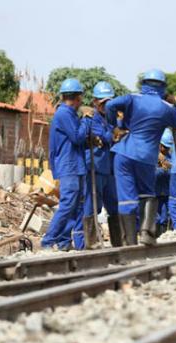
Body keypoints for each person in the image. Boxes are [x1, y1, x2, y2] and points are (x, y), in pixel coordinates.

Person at [106, 69, 176, 246]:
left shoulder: (132, 98)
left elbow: (109, 106)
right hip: (146, 157)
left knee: (126, 198)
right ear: (163, 87)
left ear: (143, 84)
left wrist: (115, 126)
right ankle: (146, 233)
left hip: (123, 153)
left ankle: (129, 242)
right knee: (147, 194)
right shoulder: (166, 108)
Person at [41, 78, 92, 251]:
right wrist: (86, 120)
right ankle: (48, 240)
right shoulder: (64, 114)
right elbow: (77, 137)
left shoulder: (69, 114)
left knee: (75, 205)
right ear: (77, 98)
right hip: (69, 165)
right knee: (68, 204)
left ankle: (63, 241)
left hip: (74, 165)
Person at [78, 81, 122, 250]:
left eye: (109, 102)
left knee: (114, 204)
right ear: (95, 102)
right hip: (95, 167)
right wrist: (113, 134)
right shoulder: (90, 118)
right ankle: (92, 242)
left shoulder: (113, 119)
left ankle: (119, 242)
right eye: (103, 102)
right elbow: (104, 137)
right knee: (92, 206)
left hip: (110, 168)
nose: (107, 105)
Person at [156, 129, 174, 235]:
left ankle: (167, 234)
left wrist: (168, 167)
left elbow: (174, 169)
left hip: (167, 191)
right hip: (156, 191)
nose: (166, 149)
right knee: (156, 216)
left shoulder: (169, 157)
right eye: (164, 147)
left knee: (167, 215)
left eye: (168, 147)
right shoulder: (153, 155)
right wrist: (162, 170)